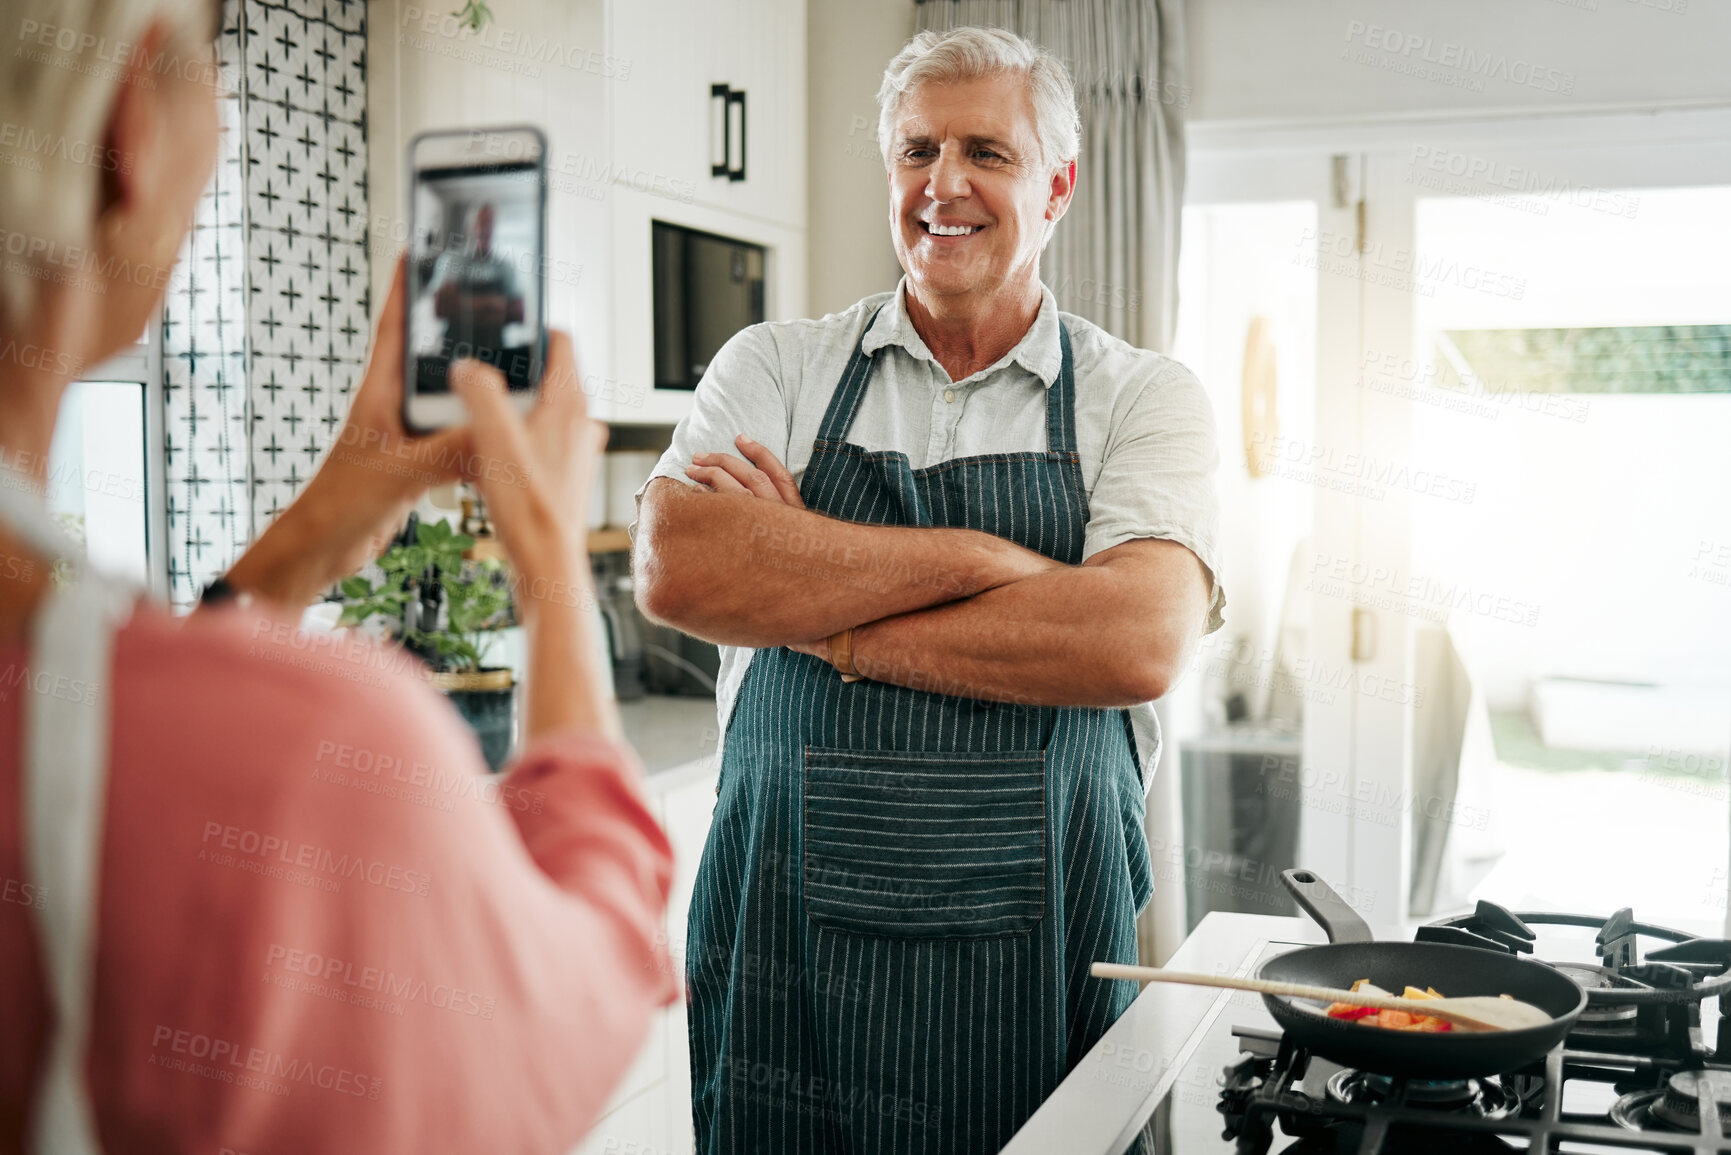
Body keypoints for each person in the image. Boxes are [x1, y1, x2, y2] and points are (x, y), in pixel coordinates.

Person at [0, 1, 672, 1152]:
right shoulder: (317, 753)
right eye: (218, 61)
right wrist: (551, 556)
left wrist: (310, 535)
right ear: (130, 129)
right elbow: (595, 979)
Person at [633, 26, 1225, 1154]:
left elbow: (1134, 639)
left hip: (1038, 939)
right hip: (784, 943)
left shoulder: (1143, 398)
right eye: (916, 152)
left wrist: (817, 591)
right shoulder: (775, 364)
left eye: (986, 154)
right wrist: (986, 565)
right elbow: (680, 567)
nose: (942, 185)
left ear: (1058, 183)